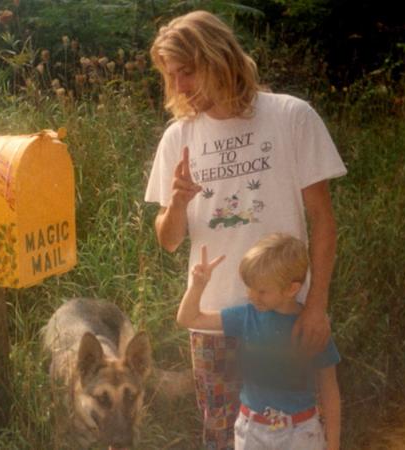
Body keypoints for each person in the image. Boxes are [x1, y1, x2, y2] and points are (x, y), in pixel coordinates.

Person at [145, 10, 346, 449]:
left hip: (285, 316)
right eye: (172, 75)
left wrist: (316, 305)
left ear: (219, 57)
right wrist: (177, 202)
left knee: (296, 432)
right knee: (222, 437)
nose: (179, 87)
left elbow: (323, 221)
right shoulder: (179, 137)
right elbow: (169, 240)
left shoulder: (292, 116)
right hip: (213, 321)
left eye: (188, 71)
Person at [176, 233, 341, 450]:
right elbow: (188, 319)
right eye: (249, 287)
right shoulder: (246, 316)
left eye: (261, 291)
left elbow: (330, 390)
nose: (252, 296)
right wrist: (198, 285)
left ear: (292, 289)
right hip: (252, 431)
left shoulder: (311, 328)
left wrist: (334, 443)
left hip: (301, 433)